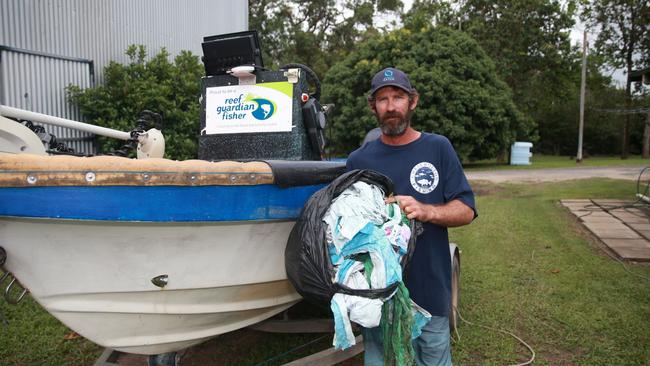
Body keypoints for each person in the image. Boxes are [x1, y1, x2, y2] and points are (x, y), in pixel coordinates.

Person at [346, 67, 477, 366]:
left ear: (413, 101)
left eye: (398, 97)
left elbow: (466, 209)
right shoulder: (358, 161)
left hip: (429, 289)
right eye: (382, 99)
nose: (391, 106)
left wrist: (426, 210)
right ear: (373, 106)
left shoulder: (437, 147)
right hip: (378, 295)